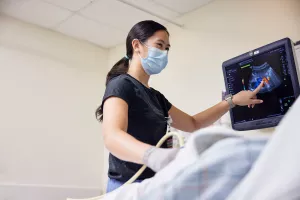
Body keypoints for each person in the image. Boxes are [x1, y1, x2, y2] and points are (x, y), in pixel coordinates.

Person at [95, 20, 264, 193]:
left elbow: (193, 123)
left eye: (167, 48)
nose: (163, 53)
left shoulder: (157, 97)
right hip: (126, 187)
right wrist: (154, 156)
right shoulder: (121, 84)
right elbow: (112, 136)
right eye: (159, 45)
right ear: (137, 45)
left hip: (150, 185)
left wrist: (232, 101)